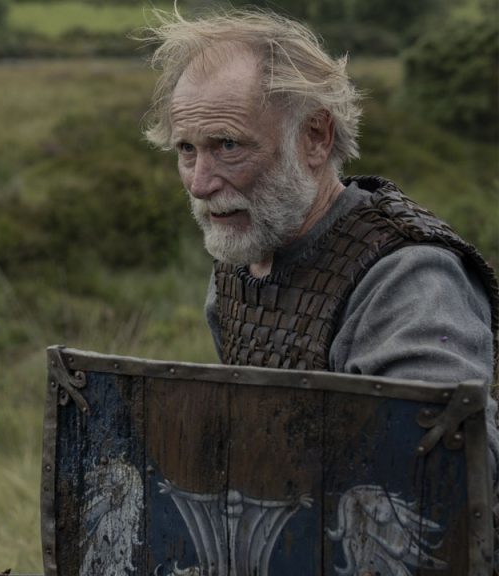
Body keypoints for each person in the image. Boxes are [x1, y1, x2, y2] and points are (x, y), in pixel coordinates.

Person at [141, 5, 499, 558]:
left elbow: (440, 488)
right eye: (187, 150)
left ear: (314, 137)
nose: (200, 182)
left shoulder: (407, 278)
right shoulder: (243, 263)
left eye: (228, 145)